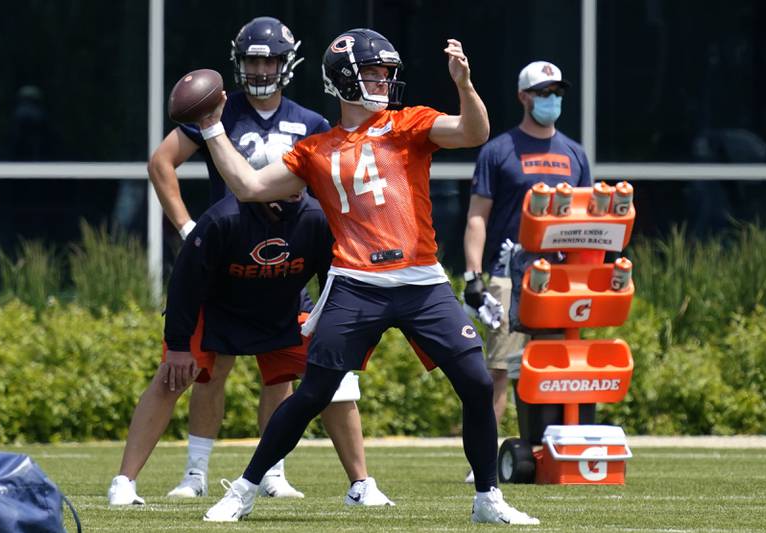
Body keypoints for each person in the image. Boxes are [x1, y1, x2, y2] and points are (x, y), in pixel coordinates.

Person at [194, 28, 540, 525]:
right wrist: (211, 129)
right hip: (357, 282)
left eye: (386, 73)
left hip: (421, 279)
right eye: (373, 72)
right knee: (314, 392)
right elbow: (248, 186)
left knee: (475, 382)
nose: (383, 81)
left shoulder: (408, 124)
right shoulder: (316, 150)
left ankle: (488, 498)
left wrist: (465, 84)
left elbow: (473, 132)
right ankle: (245, 489)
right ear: (343, 80)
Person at [109, 16, 386, 504]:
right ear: (238, 62)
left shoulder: (313, 123)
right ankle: (186, 474)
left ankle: (280, 471)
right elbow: (160, 163)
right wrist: (189, 227)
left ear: (287, 63)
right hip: (223, 262)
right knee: (195, 371)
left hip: (285, 265)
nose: (260, 69)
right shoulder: (216, 112)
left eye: (269, 59)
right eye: (253, 59)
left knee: (297, 372)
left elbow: (335, 189)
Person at [462, 60, 593, 482]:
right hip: (507, 272)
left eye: (556, 92)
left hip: (559, 278)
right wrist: (473, 275)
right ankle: (482, 461)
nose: (551, 100)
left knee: (555, 366)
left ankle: (550, 450)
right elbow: (478, 217)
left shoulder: (574, 153)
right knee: (499, 369)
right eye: (542, 92)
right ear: (523, 96)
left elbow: (589, 221)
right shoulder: (499, 150)